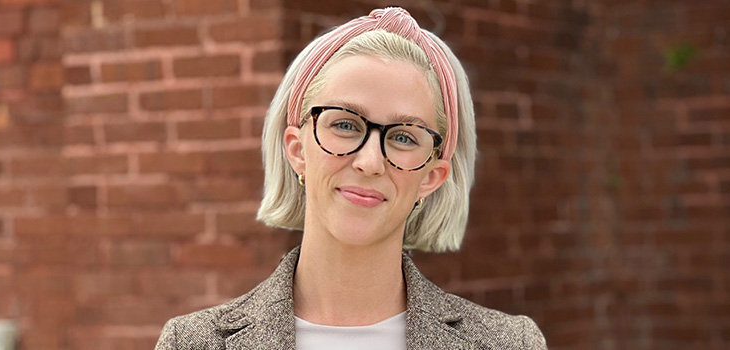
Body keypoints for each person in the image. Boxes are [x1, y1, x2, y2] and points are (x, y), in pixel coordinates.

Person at [154, 6, 547, 350]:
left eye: (404, 137)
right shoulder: (192, 343)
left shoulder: (508, 344)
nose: (370, 161)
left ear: (432, 175)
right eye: (344, 124)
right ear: (296, 150)